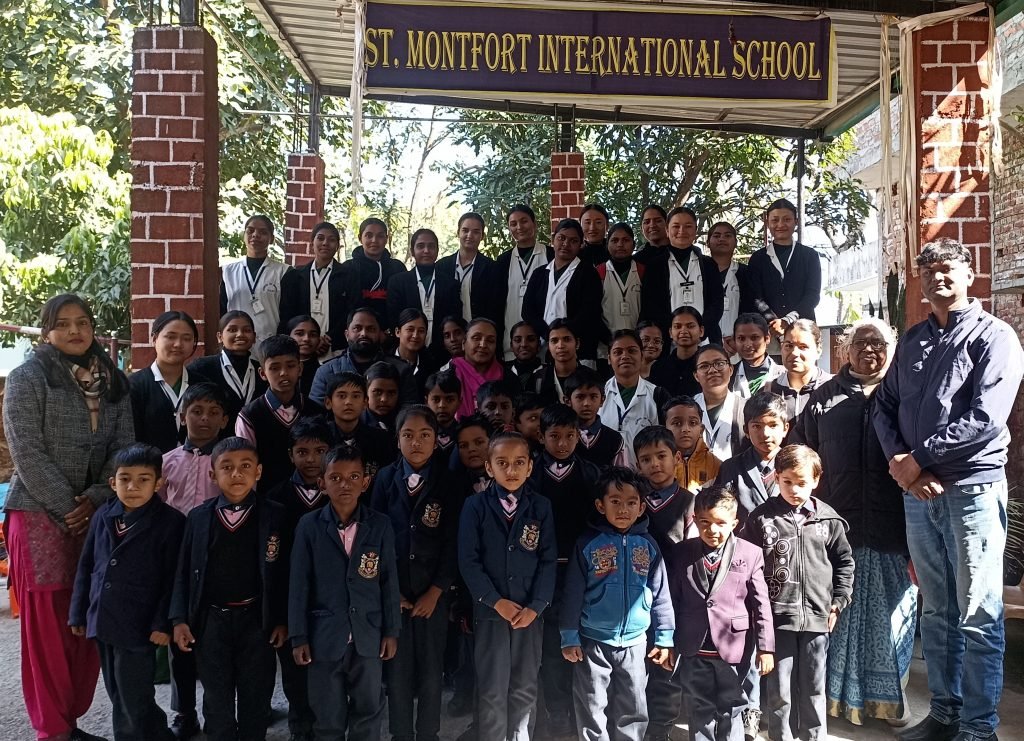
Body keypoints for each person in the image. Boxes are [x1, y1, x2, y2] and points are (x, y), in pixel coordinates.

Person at [873, 238, 1024, 741]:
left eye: (947, 269)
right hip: (919, 495)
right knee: (937, 612)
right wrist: (903, 465)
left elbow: (986, 417)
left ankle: (978, 728)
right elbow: (884, 405)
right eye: (928, 270)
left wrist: (919, 459)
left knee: (979, 613)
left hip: (972, 491)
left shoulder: (995, 337)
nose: (937, 277)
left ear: (969, 273)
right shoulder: (914, 340)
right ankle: (944, 714)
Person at [3, 293, 134, 741]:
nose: (75, 331)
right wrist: (69, 506)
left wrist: (96, 497)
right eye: (63, 323)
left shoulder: (114, 381)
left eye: (82, 322)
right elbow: (26, 451)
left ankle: (72, 718)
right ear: (46, 332)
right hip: (38, 513)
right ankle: (53, 730)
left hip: (97, 511)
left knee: (87, 614)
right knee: (47, 625)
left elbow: (124, 447)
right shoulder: (27, 378)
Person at [790, 318, 918, 727]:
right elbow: (801, 456)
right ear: (845, 348)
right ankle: (835, 702)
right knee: (838, 619)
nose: (869, 350)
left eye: (878, 343)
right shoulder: (824, 398)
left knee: (892, 620)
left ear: (892, 348)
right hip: (837, 530)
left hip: (894, 530)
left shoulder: (905, 394)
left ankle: (891, 701)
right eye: (860, 342)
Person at [170, 437, 289, 741]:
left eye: (245, 466)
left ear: (258, 472)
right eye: (227, 467)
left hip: (257, 621)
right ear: (213, 474)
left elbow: (285, 574)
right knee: (215, 694)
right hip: (212, 621)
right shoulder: (199, 517)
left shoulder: (275, 515)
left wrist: (281, 619)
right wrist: (179, 619)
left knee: (256, 692)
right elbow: (184, 572)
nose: (237, 473)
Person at [70, 443, 184, 741]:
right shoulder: (103, 515)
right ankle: (159, 735)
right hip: (103, 620)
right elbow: (87, 565)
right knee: (118, 692)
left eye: (143, 479)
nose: (132, 487)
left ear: (158, 483)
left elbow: (173, 579)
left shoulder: (170, 522)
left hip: (140, 625)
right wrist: (78, 612)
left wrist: (163, 623)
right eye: (125, 479)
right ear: (113, 482)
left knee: (132, 696)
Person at [742, 444, 855, 741]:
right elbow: (747, 567)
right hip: (777, 618)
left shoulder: (828, 520)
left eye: (802, 483)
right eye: (787, 481)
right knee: (779, 689)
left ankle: (813, 736)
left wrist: (837, 602)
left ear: (816, 480)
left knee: (814, 686)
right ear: (776, 478)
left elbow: (845, 562)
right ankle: (780, 736)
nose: (794, 489)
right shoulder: (761, 519)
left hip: (818, 618)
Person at [288, 443, 401, 740]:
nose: (345, 484)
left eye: (353, 477)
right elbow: (299, 585)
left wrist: (391, 631)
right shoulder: (309, 526)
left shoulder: (380, 525)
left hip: (368, 635)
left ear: (365, 482)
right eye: (335, 478)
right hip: (323, 637)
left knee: (369, 709)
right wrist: (298, 636)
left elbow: (389, 582)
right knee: (327, 715)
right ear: (321, 483)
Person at [560, 467, 675, 741]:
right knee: (592, 703)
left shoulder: (648, 545)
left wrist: (665, 637)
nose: (623, 509)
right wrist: (569, 636)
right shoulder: (587, 544)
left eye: (631, 502)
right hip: (593, 642)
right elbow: (573, 592)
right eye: (615, 501)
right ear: (601, 505)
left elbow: (661, 593)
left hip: (635, 643)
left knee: (634, 704)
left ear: (641, 507)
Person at [457, 432, 557, 740]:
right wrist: (494, 600)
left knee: (525, 685)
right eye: (502, 463)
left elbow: (548, 560)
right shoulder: (475, 506)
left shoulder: (541, 506)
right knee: (492, 688)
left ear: (530, 467)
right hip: (491, 613)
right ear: (489, 467)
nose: (511, 470)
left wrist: (536, 606)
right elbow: (468, 561)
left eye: (518, 463)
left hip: (529, 614)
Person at [371, 406, 459, 741]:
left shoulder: (448, 481)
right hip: (396, 593)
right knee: (397, 670)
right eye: (408, 435)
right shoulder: (384, 478)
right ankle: (400, 733)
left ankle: (428, 733)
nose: (416, 442)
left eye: (425, 435)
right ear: (397, 440)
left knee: (431, 670)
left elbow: (453, 542)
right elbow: (374, 538)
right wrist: (390, 592)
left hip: (432, 596)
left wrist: (436, 590)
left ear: (436, 440)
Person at [672, 485, 774, 741]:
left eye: (720, 523)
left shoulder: (750, 553)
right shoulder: (681, 552)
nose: (712, 530)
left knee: (733, 707)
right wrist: (668, 642)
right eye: (705, 522)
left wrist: (766, 648)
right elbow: (673, 600)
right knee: (699, 707)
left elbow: (761, 604)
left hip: (734, 648)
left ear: (734, 524)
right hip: (694, 646)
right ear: (694, 519)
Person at [157, 382, 228, 740]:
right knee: (179, 637)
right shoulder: (166, 462)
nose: (204, 419)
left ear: (225, 419)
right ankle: (184, 711)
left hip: (218, 558)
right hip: (177, 561)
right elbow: (157, 509)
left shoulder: (229, 462)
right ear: (182, 416)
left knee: (217, 641)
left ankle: (223, 709)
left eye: (214, 412)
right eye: (196, 411)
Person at [529, 404, 601, 735]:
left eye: (569, 436)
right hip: (542, 571)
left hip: (581, 570)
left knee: (581, 640)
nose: (562, 444)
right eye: (554, 436)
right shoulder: (530, 473)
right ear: (541, 436)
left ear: (579, 436)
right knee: (550, 645)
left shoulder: (591, 474)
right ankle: (556, 710)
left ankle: (582, 709)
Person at [264, 418, 333, 741]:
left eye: (320, 451)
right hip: (290, 600)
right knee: (294, 670)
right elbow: (272, 568)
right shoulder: (275, 499)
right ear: (290, 455)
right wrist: (279, 618)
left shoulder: (341, 493)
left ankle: (329, 722)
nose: (311, 459)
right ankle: (300, 724)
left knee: (329, 666)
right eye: (302, 452)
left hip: (331, 600)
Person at [632, 425, 696, 739]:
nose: (655, 464)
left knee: (666, 668)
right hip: (633, 600)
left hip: (673, 600)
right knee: (635, 669)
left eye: (661, 456)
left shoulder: (690, 503)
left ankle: (660, 729)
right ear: (637, 465)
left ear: (677, 458)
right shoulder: (632, 502)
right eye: (646, 459)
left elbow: (694, 553)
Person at [235, 335, 323, 493]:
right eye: (274, 368)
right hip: (266, 498)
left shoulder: (316, 411)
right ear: (262, 373)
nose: (283, 373)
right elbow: (245, 465)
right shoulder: (249, 416)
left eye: (290, 366)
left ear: (300, 368)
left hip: (313, 497)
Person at [523, 217, 607, 363]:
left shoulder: (588, 273)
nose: (566, 244)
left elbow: (590, 312)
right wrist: (549, 335)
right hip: (543, 348)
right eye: (561, 238)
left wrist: (564, 336)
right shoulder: (539, 274)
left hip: (579, 350)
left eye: (573, 241)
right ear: (553, 240)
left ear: (581, 244)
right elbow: (527, 311)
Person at [641, 206, 725, 344]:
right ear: (667, 230)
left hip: (705, 339)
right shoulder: (655, 266)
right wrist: (675, 332)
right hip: (669, 341)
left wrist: (699, 331)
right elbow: (651, 306)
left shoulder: (708, 264)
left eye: (688, 226)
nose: (682, 231)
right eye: (676, 226)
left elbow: (717, 303)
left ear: (695, 230)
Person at [130, 310, 208, 453]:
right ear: (154, 339)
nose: (178, 344)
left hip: (197, 464)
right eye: (171, 337)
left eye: (186, 338)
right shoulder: (134, 385)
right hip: (148, 465)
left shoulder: (203, 385)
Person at [309, 307, 418, 408]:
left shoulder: (401, 370)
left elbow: (409, 413)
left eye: (371, 329)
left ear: (380, 334)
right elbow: (315, 415)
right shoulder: (326, 372)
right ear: (347, 334)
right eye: (357, 328)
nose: (364, 334)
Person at [745, 199, 821, 337]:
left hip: (803, 331)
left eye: (787, 219)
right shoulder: (758, 258)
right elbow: (755, 297)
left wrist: (787, 320)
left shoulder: (810, 256)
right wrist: (773, 322)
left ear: (796, 222)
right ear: (767, 223)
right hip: (768, 332)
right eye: (775, 220)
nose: (780, 225)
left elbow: (812, 295)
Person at [714, 393, 789, 523]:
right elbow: (721, 514)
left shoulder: (797, 466)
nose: (765, 434)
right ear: (746, 430)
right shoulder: (732, 468)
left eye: (773, 425)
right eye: (757, 426)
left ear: (785, 429)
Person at [277, 221, 348, 356]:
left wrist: (329, 338)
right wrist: (306, 339)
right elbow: (287, 313)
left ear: (337, 246)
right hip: (301, 347)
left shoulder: (348, 275)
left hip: (336, 348)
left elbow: (351, 311)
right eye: (320, 238)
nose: (325, 243)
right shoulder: (295, 276)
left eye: (331, 240)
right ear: (312, 243)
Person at [187, 310, 266, 432]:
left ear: (254, 337)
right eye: (232, 330)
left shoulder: (261, 371)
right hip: (215, 440)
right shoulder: (201, 368)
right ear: (220, 337)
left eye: (246, 330)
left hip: (254, 440)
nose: (240, 334)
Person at [599, 330, 669, 466]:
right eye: (618, 352)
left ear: (642, 356)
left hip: (646, 475)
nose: (625, 356)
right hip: (604, 476)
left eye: (632, 351)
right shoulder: (597, 394)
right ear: (609, 359)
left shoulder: (658, 395)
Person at [387, 227, 462, 349]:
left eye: (431, 246)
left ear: (437, 250)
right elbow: (394, 318)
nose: (426, 251)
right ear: (412, 251)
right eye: (420, 246)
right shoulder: (398, 282)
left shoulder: (450, 284)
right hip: (407, 349)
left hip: (441, 350)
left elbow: (454, 319)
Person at [220, 214, 291, 342]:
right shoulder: (227, 272)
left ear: (272, 239)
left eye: (263, 232)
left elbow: (288, 314)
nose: (255, 235)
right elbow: (221, 310)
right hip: (236, 341)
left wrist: (280, 342)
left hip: (271, 342)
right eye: (250, 231)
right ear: (244, 235)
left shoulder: (284, 272)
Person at [496, 204, 553, 360]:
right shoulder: (502, 261)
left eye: (524, 221)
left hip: (545, 340)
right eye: (513, 224)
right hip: (511, 343)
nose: (519, 227)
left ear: (534, 224)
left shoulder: (551, 256)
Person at [322, 371, 396, 481]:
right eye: (341, 396)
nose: (348, 402)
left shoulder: (381, 439)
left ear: (365, 403)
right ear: (328, 402)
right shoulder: (319, 438)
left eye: (356, 396)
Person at [436, 212, 500, 325]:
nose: (469, 235)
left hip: (479, 331)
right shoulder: (441, 266)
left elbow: (495, 306)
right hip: (449, 332)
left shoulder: (491, 268)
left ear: (482, 236)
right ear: (458, 233)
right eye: (465, 230)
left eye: (476, 232)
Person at [337, 217, 405, 322]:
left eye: (380, 236)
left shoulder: (397, 268)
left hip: (389, 330)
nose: (374, 240)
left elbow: (403, 306)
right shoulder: (347, 268)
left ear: (387, 239)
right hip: (356, 329)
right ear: (360, 238)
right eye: (369, 235)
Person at [449, 317, 517, 419]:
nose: (483, 345)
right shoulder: (449, 376)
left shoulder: (509, 379)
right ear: (463, 344)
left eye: (490, 340)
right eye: (476, 338)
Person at [596, 222, 645, 361]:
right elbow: (593, 312)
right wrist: (609, 339)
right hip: (606, 346)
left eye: (625, 240)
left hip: (638, 344)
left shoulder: (643, 272)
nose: (620, 244)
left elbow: (648, 309)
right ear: (607, 245)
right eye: (615, 240)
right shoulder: (599, 272)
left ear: (633, 245)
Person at [767, 319, 831, 423]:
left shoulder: (833, 389)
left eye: (803, 347)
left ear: (818, 350)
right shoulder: (769, 391)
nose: (794, 353)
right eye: (789, 346)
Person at [565, 367, 628, 469]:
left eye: (593, 397)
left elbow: (621, 476)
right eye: (580, 397)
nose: (587, 403)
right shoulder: (560, 437)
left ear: (602, 400)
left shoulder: (614, 439)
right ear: (567, 401)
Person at [694, 344, 747, 460]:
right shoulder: (687, 408)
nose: (712, 370)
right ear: (696, 376)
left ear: (731, 369)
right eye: (704, 366)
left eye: (719, 364)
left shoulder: (745, 408)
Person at [661, 396, 721, 492]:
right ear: (665, 429)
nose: (685, 429)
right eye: (677, 423)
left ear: (701, 429)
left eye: (692, 423)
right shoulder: (658, 464)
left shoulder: (715, 465)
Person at [707, 221, 750, 354]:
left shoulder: (745, 273)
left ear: (735, 242)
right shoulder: (700, 271)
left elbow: (750, 307)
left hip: (737, 345)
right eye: (716, 235)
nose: (722, 239)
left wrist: (737, 337)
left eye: (727, 235)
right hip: (705, 343)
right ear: (708, 242)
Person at [649, 305, 705, 398]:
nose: (683, 331)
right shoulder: (658, 368)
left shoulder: (708, 366)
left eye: (690, 326)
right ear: (670, 332)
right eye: (677, 326)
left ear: (701, 331)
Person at [528, 318, 581, 405]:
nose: (560, 346)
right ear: (548, 346)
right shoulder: (537, 379)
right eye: (554, 341)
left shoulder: (591, 378)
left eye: (566, 339)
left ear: (577, 343)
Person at [730, 313, 783, 399]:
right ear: (734, 340)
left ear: (767, 338)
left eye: (754, 338)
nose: (747, 344)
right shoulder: (728, 376)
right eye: (741, 338)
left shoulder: (783, 375)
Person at [393, 308, 433, 397]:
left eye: (421, 331)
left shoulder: (431, 366)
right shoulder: (385, 362)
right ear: (398, 332)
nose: (415, 335)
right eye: (410, 329)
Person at [424, 369, 462, 455]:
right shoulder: (420, 434)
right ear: (426, 402)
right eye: (436, 399)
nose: (442, 405)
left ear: (459, 402)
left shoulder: (464, 434)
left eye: (449, 400)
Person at [285, 314, 323, 397]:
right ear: (288, 337)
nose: (306, 339)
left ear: (319, 340)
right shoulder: (280, 369)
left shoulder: (324, 372)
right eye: (300, 334)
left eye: (313, 335)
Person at [363, 360, 402, 434]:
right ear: (366, 392)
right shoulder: (354, 424)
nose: (384, 399)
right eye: (377, 392)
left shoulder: (405, 424)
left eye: (391, 393)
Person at [505, 320, 544, 389]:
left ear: (539, 344)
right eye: (518, 340)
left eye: (531, 339)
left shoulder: (551, 372)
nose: (524, 344)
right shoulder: (502, 371)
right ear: (511, 346)